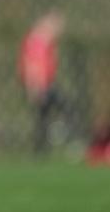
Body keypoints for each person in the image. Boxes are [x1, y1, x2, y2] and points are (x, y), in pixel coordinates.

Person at [18, 11, 75, 153]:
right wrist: (34, 87)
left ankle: (41, 148)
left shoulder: (45, 42)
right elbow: (32, 66)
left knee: (43, 117)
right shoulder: (37, 41)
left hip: (45, 85)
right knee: (65, 108)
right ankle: (59, 135)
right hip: (41, 87)